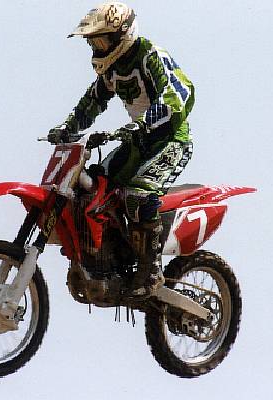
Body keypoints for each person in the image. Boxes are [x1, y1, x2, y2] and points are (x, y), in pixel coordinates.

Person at [49, 2, 195, 297]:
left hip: (170, 140)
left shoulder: (150, 56)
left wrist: (144, 123)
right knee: (91, 188)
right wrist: (67, 128)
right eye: (93, 43)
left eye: (102, 41)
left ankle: (151, 271)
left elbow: (180, 94)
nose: (97, 48)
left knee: (138, 195)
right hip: (137, 143)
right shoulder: (112, 69)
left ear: (123, 35)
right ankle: (107, 258)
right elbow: (91, 103)